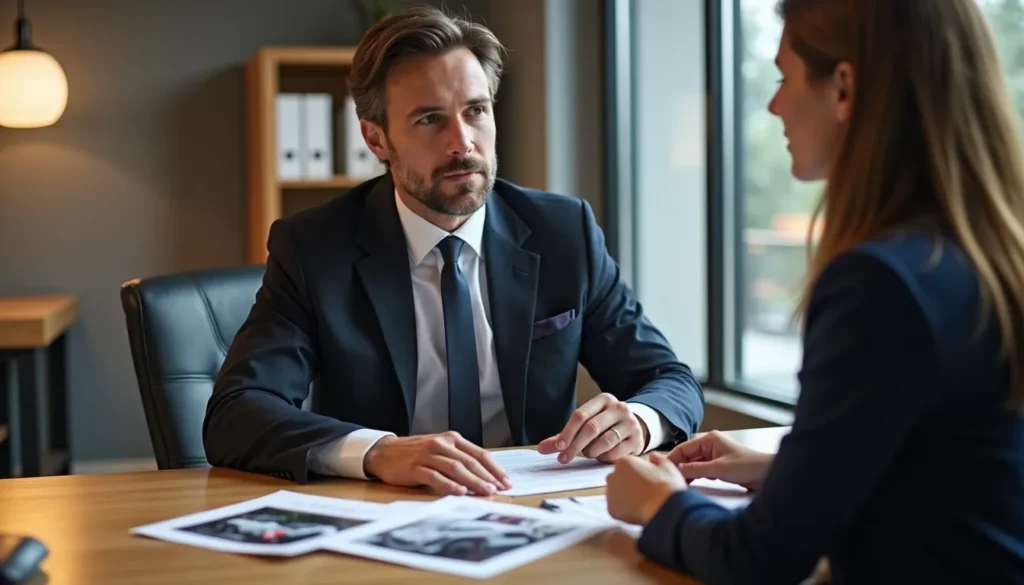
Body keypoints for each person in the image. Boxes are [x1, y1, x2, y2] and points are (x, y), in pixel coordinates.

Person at [202, 5, 704, 495]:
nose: (462, 142)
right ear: (376, 138)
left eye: (476, 111)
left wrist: (639, 420)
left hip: (534, 510)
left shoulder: (563, 232)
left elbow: (669, 380)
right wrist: (377, 452)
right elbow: (237, 412)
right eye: (429, 120)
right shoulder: (315, 248)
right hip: (384, 512)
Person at [605, 0, 1024, 583]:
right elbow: (950, 473)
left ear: (844, 88)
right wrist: (785, 469)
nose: (774, 104)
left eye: (784, 77)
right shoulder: (985, 255)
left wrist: (653, 503)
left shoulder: (882, 283)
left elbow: (759, 557)